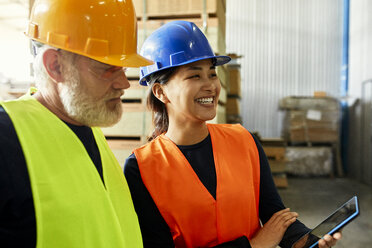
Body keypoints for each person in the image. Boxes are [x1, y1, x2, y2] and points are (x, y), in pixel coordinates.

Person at [124, 21, 342, 248]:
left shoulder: (244, 140)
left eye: (212, 74)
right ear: (161, 92)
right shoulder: (141, 167)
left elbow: (274, 215)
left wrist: (307, 242)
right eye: (195, 76)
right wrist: (254, 245)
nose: (210, 86)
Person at [0, 0, 153, 247]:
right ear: (55, 66)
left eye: (123, 68)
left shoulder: (90, 129)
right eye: (107, 68)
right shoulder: (7, 141)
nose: (124, 83)